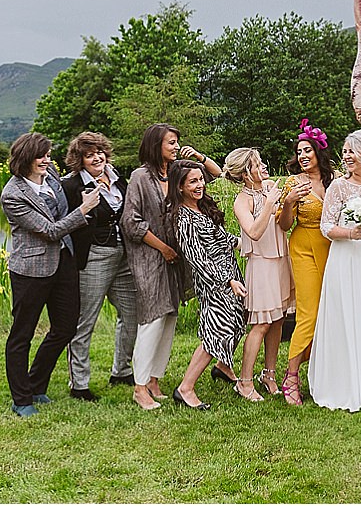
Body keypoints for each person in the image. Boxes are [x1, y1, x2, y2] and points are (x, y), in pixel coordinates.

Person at [0, 132, 98, 416]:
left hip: (63, 263)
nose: (47, 160)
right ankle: (22, 399)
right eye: (41, 156)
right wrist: (84, 209)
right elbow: (50, 231)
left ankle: (36, 384)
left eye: (48, 154)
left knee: (66, 327)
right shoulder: (13, 195)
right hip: (31, 270)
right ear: (25, 159)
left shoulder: (52, 175)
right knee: (22, 335)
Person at [309, 130, 361, 411]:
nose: (345, 157)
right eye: (344, 152)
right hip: (345, 259)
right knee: (347, 314)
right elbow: (326, 226)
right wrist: (349, 233)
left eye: (351, 151)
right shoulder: (338, 188)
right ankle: (344, 381)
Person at [60, 131, 138, 399]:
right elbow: (64, 222)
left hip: (124, 256)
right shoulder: (70, 186)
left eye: (100, 152)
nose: (97, 158)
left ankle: (122, 371)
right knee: (86, 321)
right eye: (89, 154)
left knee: (132, 314)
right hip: (93, 257)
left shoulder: (119, 180)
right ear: (79, 159)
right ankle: (79, 384)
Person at [167, 157, 247, 408]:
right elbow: (197, 259)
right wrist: (228, 281)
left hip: (230, 271)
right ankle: (185, 388)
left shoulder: (201, 208)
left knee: (238, 320)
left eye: (200, 179)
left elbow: (219, 236)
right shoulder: (183, 218)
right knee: (216, 332)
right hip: (214, 282)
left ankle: (223, 367)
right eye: (192, 182)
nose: (199, 185)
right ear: (180, 186)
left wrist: (244, 243)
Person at [121, 123, 191, 410]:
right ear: (155, 145)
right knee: (152, 320)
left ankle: (153, 380)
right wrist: (162, 248)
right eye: (171, 142)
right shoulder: (140, 177)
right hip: (149, 258)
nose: (175, 147)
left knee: (169, 318)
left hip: (175, 260)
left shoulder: (174, 176)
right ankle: (139, 387)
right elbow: (130, 222)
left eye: (176, 142)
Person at [226, 147, 292, 400]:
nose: (264, 167)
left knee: (278, 318)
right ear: (245, 173)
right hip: (261, 264)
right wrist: (270, 203)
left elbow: (284, 224)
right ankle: (244, 381)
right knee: (261, 323)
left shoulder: (271, 187)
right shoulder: (242, 201)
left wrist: (285, 202)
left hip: (281, 258)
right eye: (258, 164)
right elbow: (253, 231)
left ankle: (269, 374)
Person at [277, 125, 333, 405]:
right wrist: (288, 203)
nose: (302, 156)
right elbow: (286, 224)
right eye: (298, 152)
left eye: (307, 150)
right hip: (304, 247)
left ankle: (324, 371)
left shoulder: (334, 180)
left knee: (331, 311)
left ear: (318, 151)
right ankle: (291, 376)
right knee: (308, 313)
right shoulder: (293, 184)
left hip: (334, 248)